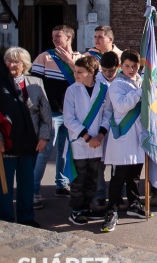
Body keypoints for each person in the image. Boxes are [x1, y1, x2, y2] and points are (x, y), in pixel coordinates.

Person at [0, 47, 50, 226]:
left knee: (26, 186)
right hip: (4, 145)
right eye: (8, 60)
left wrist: (44, 137)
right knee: (3, 187)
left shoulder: (36, 82)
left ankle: (26, 219)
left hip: (30, 145)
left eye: (16, 61)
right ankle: (4, 220)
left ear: (25, 64)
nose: (11, 65)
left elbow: (46, 114)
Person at [31, 25, 82, 208]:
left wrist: (70, 61)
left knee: (64, 151)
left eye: (58, 36)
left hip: (70, 114)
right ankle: (33, 191)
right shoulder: (44, 57)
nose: (54, 39)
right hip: (50, 113)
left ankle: (61, 184)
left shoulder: (79, 59)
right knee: (44, 152)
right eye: (53, 36)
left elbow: (86, 79)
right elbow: (34, 84)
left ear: (69, 37)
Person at [63, 56, 111, 225]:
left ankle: (87, 207)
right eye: (75, 71)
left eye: (79, 72)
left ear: (91, 72)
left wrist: (100, 135)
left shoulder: (104, 89)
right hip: (79, 142)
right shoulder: (72, 91)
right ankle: (76, 210)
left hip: (97, 142)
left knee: (93, 178)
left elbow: (108, 114)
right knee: (78, 179)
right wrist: (88, 137)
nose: (76, 74)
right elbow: (69, 119)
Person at [103, 50, 148, 232]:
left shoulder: (141, 81)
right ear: (121, 66)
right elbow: (121, 106)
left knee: (134, 175)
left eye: (135, 66)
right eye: (128, 66)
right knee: (118, 176)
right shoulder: (117, 84)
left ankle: (134, 203)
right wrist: (139, 93)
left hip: (138, 135)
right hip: (123, 135)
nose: (131, 69)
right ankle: (111, 209)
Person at [93, 51, 120, 211]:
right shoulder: (96, 81)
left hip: (118, 127)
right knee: (99, 164)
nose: (108, 74)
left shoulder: (122, 80)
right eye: (105, 70)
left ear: (117, 67)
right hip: (100, 127)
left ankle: (117, 196)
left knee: (118, 164)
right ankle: (99, 195)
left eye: (111, 70)